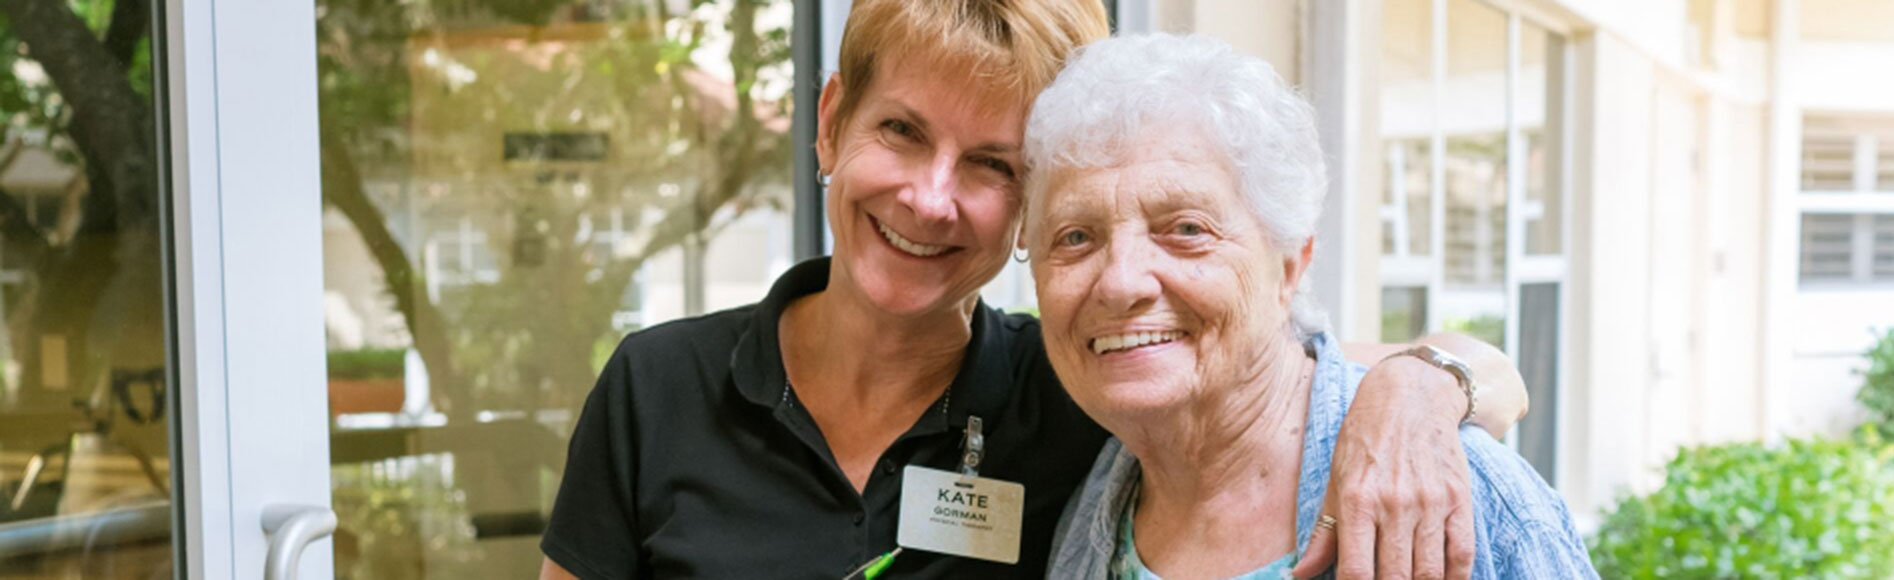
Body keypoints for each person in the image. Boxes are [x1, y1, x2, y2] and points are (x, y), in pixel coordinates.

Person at [539, 2, 1529, 578]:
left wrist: (1421, 387)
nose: (931, 198)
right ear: (833, 122)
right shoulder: (657, 386)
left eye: (991, 165)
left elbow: (1311, 365)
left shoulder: (1084, 385)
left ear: (1029, 205)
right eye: (902, 132)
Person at [1028, 34, 1596, 579]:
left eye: (1185, 228)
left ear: (1290, 265)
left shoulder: (1450, 489)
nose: (1120, 282)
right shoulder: (1092, 495)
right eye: (1075, 237)